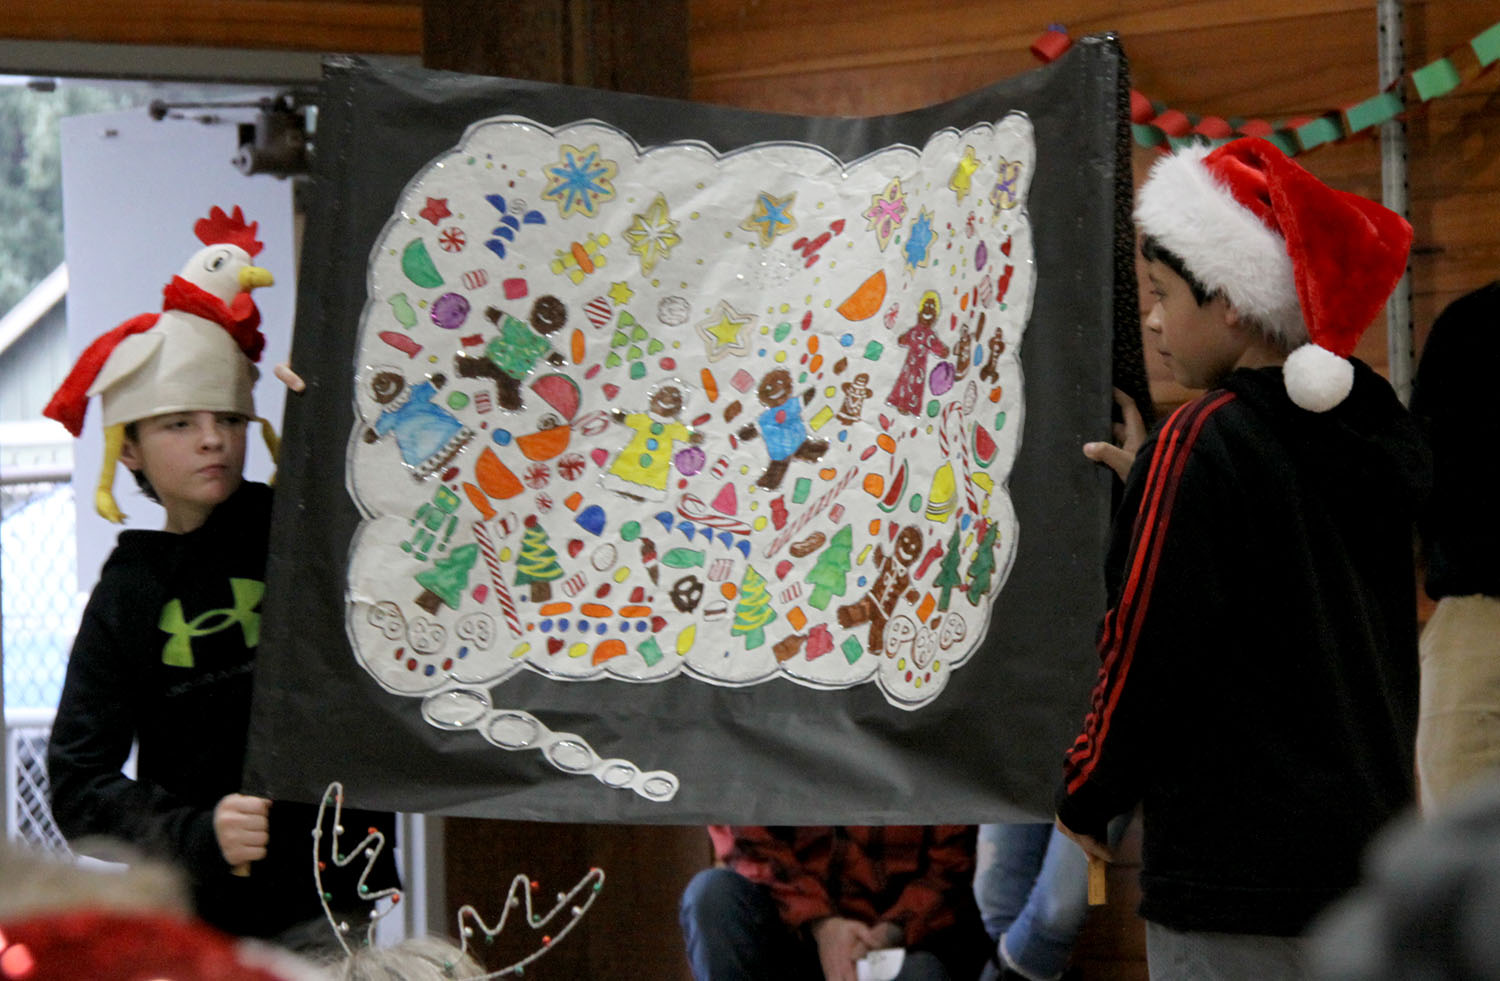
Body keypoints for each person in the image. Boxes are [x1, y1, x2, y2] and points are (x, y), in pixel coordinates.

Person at [1053, 137, 1428, 979]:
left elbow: (1142, 649)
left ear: (1228, 297)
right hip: (1364, 876)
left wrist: (1086, 790)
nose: (1152, 320)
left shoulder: (1199, 439)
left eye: (1161, 293)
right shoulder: (1367, 428)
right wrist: (1158, 489)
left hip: (1234, 882)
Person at [40, 207, 396, 953]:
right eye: (179, 424)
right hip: (203, 924)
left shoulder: (298, 529)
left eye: (229, 420)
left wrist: (337, 416)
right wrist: (196, 832)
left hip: (338, 906)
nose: (211, 440)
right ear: (128, 449)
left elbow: (380, 509)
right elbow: (78, 784)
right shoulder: (128, 594)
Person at [1409, 281, 1500, 813]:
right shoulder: (1473, 326)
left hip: (1480, 621)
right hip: (1479, 616)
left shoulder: (1471, 324)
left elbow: (1422, 481)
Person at [678, 825, 991, 981]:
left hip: (892, 939)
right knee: (712, 895)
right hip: (791, 926)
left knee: (921, 974)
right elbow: (747, 841)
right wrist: (822, 924)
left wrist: (889, 931)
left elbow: (952, 867)